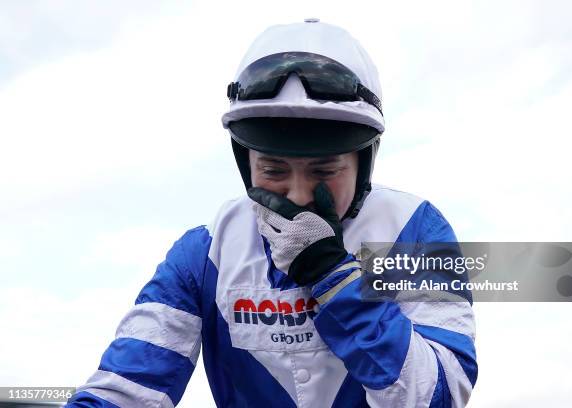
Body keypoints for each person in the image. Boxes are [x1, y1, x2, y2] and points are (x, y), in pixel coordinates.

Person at [67, 19, 477, 408]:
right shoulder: (205, 252)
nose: (298, 194)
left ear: (363, 162)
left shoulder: (415, 230)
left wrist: (333, 279)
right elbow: (127, 388)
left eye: (324, 170)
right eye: (273, 170)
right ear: (246, 164)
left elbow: (435, 396)